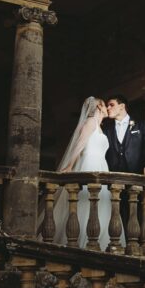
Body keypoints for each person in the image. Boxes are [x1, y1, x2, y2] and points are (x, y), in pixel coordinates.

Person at [52, 97, 111, 249]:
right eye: (105, 105)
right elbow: (80, 144)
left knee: (102, 204)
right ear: (99, 106)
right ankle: (84, 242)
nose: (107, 109)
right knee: (88, 202)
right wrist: (70, 165)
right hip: (90, 164)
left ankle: (101, 242)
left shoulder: (99, 126)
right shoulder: (90, 122)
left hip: (102, 166)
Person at [103, 93, 145, 176]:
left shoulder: (140, 123)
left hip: (136, 175)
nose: (108, 108)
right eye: (107, 105)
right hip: (112, 177)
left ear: (122, 106)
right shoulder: (106, 129)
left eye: (111, 105)